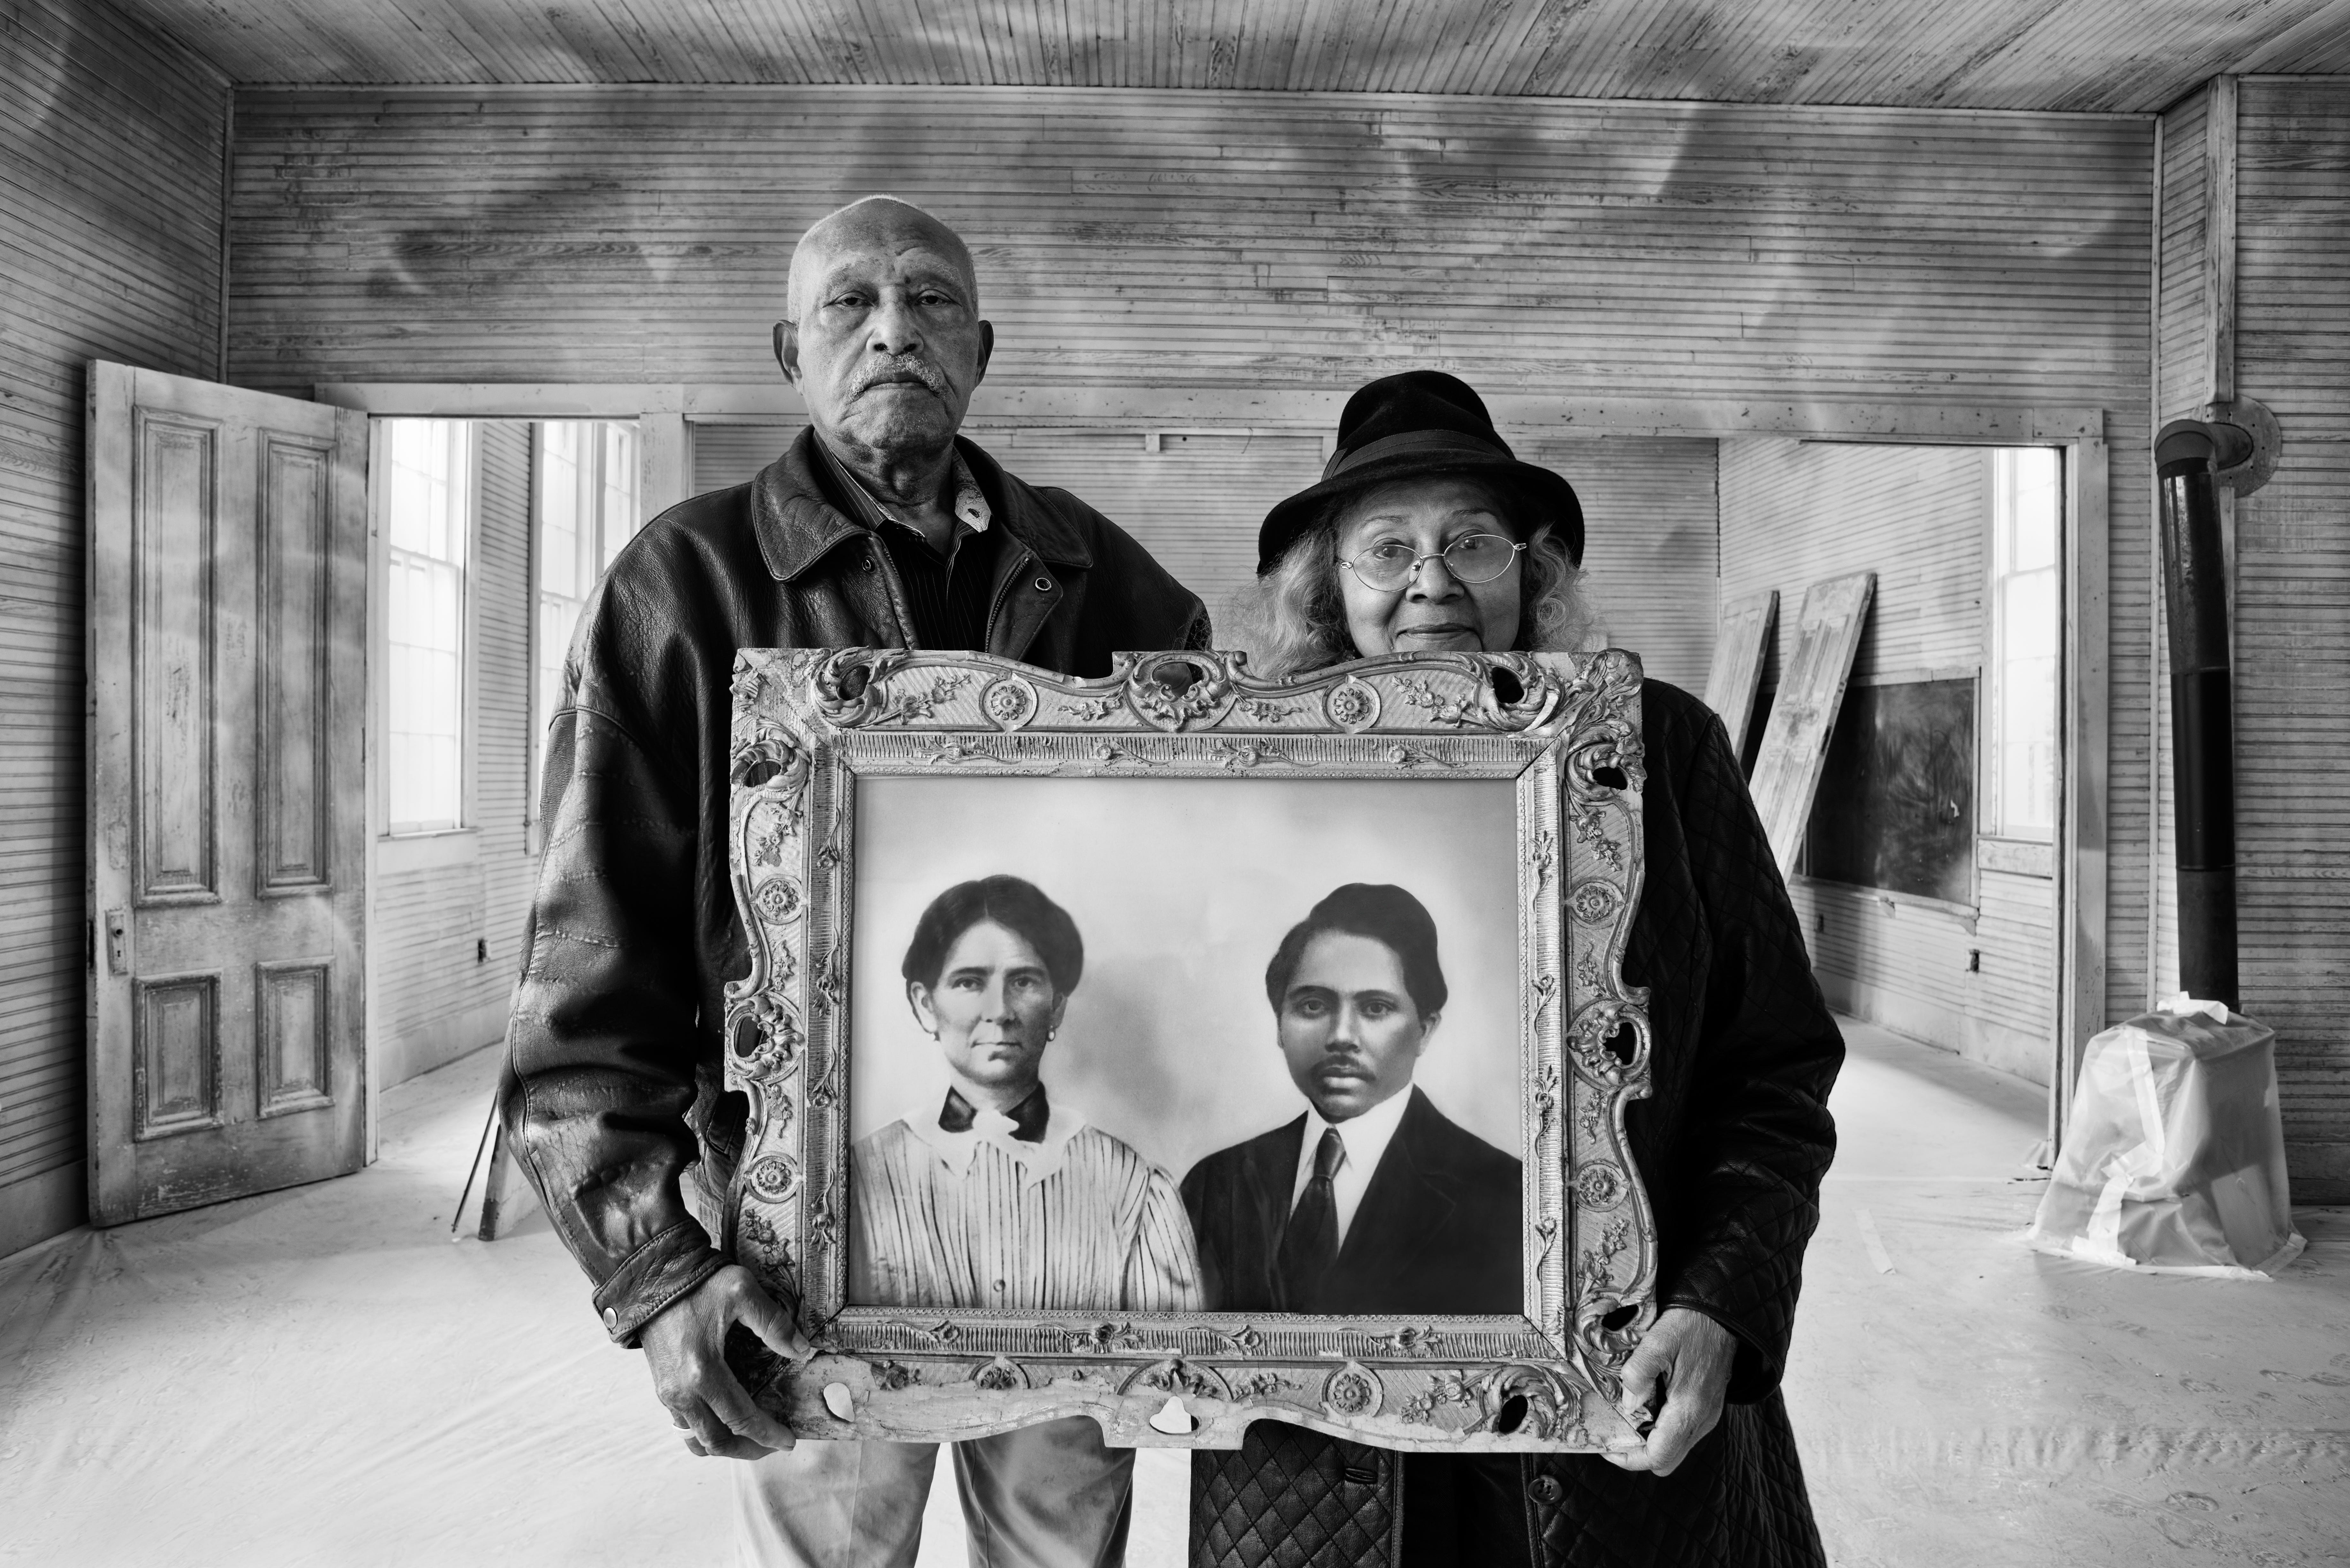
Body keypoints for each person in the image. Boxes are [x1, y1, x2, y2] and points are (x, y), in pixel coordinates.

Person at [497, 195, 1209, 1568]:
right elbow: (588, 971)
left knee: (1062, 1552)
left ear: (982, 348)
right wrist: (655, 1272)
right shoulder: (681, 586)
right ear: (790, 349)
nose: (896, 329)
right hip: (798, 1245)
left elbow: (1189, 917)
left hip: (1061, 1239)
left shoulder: (1108, 582)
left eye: (933, 301)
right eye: (851, 304)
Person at [1202, 371, 1843, 1568]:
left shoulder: (1661, 750)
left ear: (1529, 575)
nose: (1431, 580)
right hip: (1319, 1453)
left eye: (1472, 543)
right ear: (1329, 588)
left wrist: (1723, 1305)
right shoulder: (1249, 786)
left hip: (1612, 1404)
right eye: (1386, 547)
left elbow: (1777, 1066)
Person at [851, 875, 1201, 1313]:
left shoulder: (1132, 1188)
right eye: (969, 982)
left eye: (1023, 982)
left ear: (1056, 1006)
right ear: (926, 1005)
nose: (999, 1012)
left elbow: (1173, 1365)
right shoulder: (859, 1179)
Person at [1181, 883, 1518, 1316]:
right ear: (1279, 1025)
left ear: (1426, 1030)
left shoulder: (1505, 1198)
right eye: (1313, 1006)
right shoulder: (1214, 1185)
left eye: (1375, 1008)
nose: (1341, 1037)